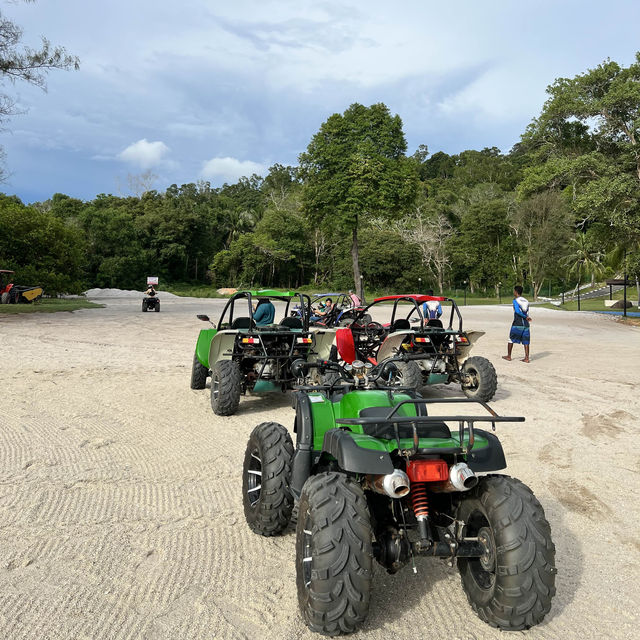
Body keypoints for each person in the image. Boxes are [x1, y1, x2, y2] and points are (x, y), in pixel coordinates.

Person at [503, 286, 532, 363]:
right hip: (526, 325)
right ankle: (527, 358)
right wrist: (527, 317)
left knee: (511, 339)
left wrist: (525, 317)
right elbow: (527, 311)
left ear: (516, 292)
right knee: (526, 341)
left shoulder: (515, 301)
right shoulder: (526, 301)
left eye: (514, 291)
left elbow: (517, 311)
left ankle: (509, 356)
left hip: (517, 323)